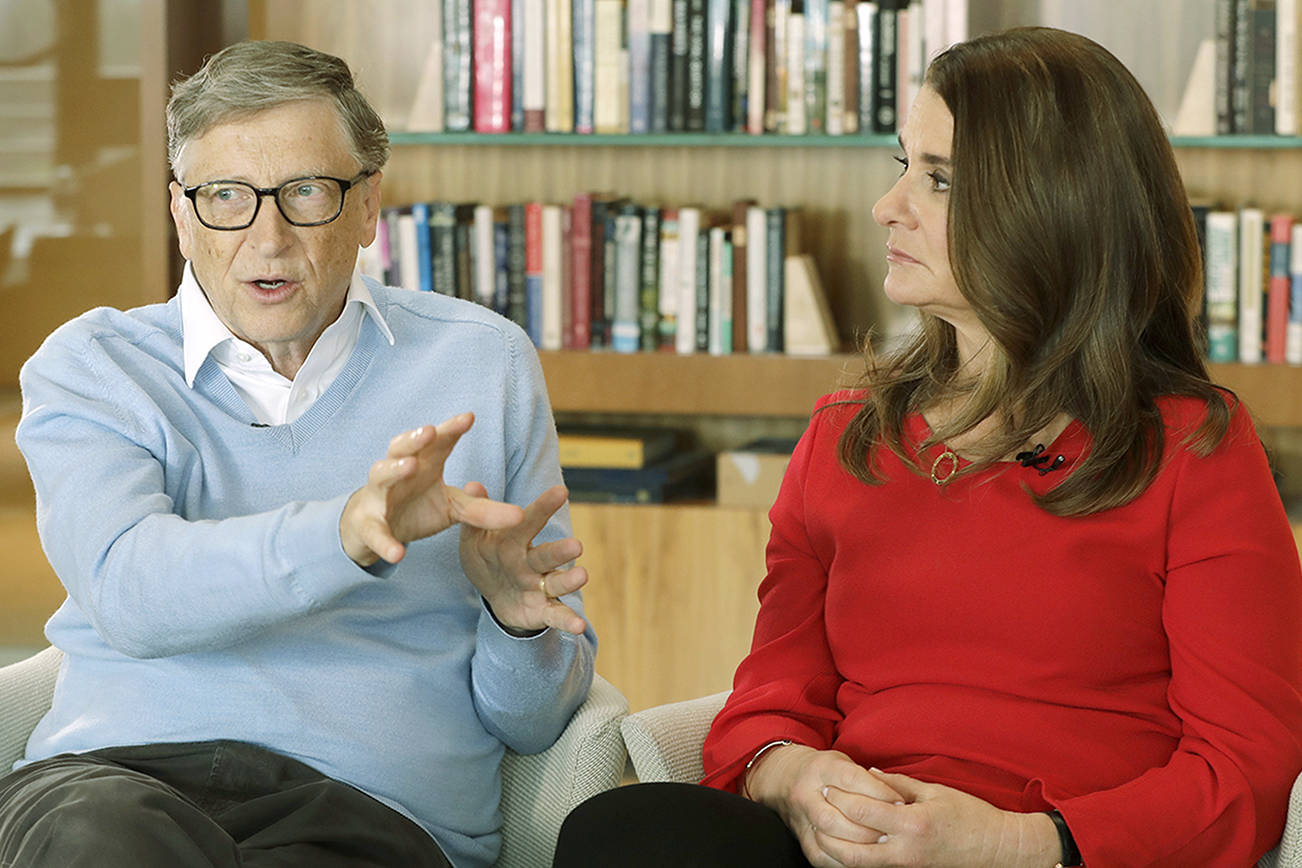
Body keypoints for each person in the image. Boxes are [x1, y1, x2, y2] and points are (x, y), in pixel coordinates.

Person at [553, 26, 1302, 868]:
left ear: (1054, 206)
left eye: (940, 179)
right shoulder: (847, 433)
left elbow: (1246, 769)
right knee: (624, 832)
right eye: (902, 164)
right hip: (848, 846)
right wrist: (795, 778)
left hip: (1059, 852)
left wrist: (1014, 844)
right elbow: (770, 698)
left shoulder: (1194, 447)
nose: (889, 206)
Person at [0, 40, 596, 868]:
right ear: (181, 213)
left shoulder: (479, 362)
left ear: (366, 206)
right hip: (114, 782)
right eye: (226, 197)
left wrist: (514, 626)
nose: (267, 237)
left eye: (306, 193)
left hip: (365, 808)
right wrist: (346, 535)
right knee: (102, 844)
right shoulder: (94, 366)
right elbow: (131, 591)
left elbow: (534, 722)